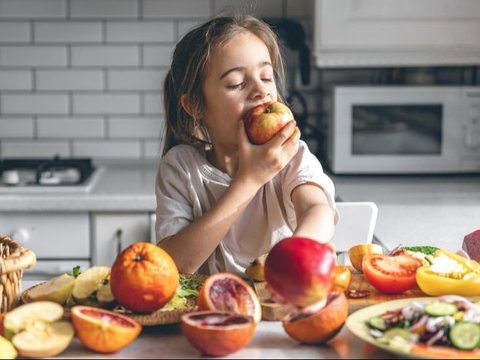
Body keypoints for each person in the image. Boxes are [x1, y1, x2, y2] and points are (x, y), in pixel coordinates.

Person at [155, 15, 337, 276]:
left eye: (266, 76)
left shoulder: (291, 156)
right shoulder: (181, 168)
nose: (260, 91)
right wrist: (250, 180)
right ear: (194, 105)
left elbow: (317, 210)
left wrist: (297, 253)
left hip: (278, 306)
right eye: (236, 84)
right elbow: (174, 266)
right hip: (209, 312)